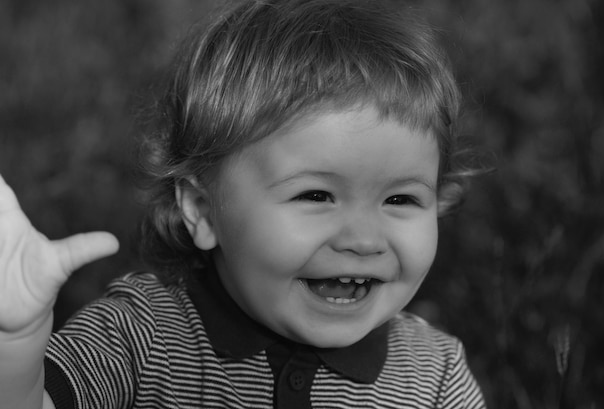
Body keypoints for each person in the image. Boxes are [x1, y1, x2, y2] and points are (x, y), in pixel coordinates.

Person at [0, 0, 487, 408]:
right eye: (316, 195)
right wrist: (17, 343)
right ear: (203, 210)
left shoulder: (434, 377)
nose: (363, 239)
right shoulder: (143, 337)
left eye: (400, 198)